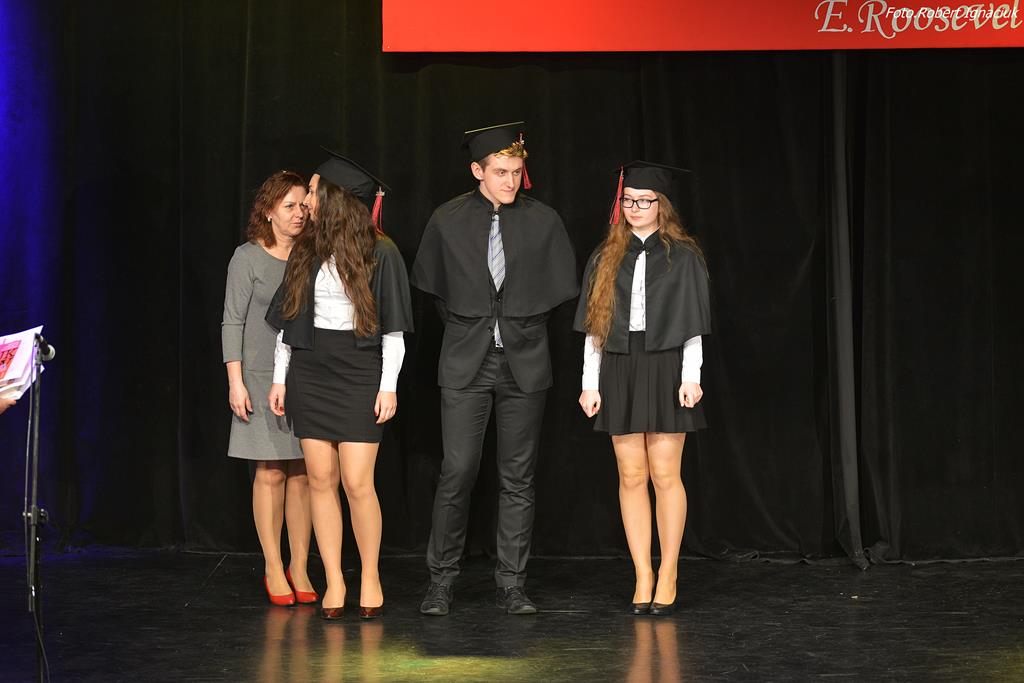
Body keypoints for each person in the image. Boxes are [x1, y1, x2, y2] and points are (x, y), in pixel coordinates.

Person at [411, 122, 578, 616]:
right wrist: (477, 327)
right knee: (457, 470)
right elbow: (439, 296)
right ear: (477, 171)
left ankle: (512, 583)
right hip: (466, 362)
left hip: (524, 363)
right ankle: (441, 580)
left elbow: (555, 295)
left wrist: (517, 325)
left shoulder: (543, 220)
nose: (510, 181)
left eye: (516, 172)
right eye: (500, 172)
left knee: (518, 477)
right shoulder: (448, 219)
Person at [267, 151, 414, 620]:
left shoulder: (381, 252)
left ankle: (369, 575)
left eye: (313, 191)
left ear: (335, 198)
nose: (306, 200)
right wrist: (279, 379)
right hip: (310, 370)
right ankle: (334, 579)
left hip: (359, 370)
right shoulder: (306, 249)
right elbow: (289, 322)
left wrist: (388, 387)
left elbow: (393, 331)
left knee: (356, 482)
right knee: (320, 479)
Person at [574, 161, 711, 616]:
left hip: (667, 363)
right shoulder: (606, 254)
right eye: (628, 200)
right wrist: (589, 383)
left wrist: (691, 376)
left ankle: (668, 571)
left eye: (645, 201)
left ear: (661, 205)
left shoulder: (683, 256)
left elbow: (691, 324)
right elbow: (595, 327)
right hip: (619, 363)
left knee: (665, 474)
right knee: (631, 475)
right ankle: (642, 573)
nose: (635, 208)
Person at [222, 170, 315, 607]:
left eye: (303, 205)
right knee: (271, 470)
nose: (299, 214)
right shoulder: (248, 257)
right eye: (289, 206)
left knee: (304, 472)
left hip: (306, 375)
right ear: (269, 211)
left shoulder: (313, 253)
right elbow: (232, 321)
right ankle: (273, 565)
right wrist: (235, 381)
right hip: (259, 376)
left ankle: (301, 564)